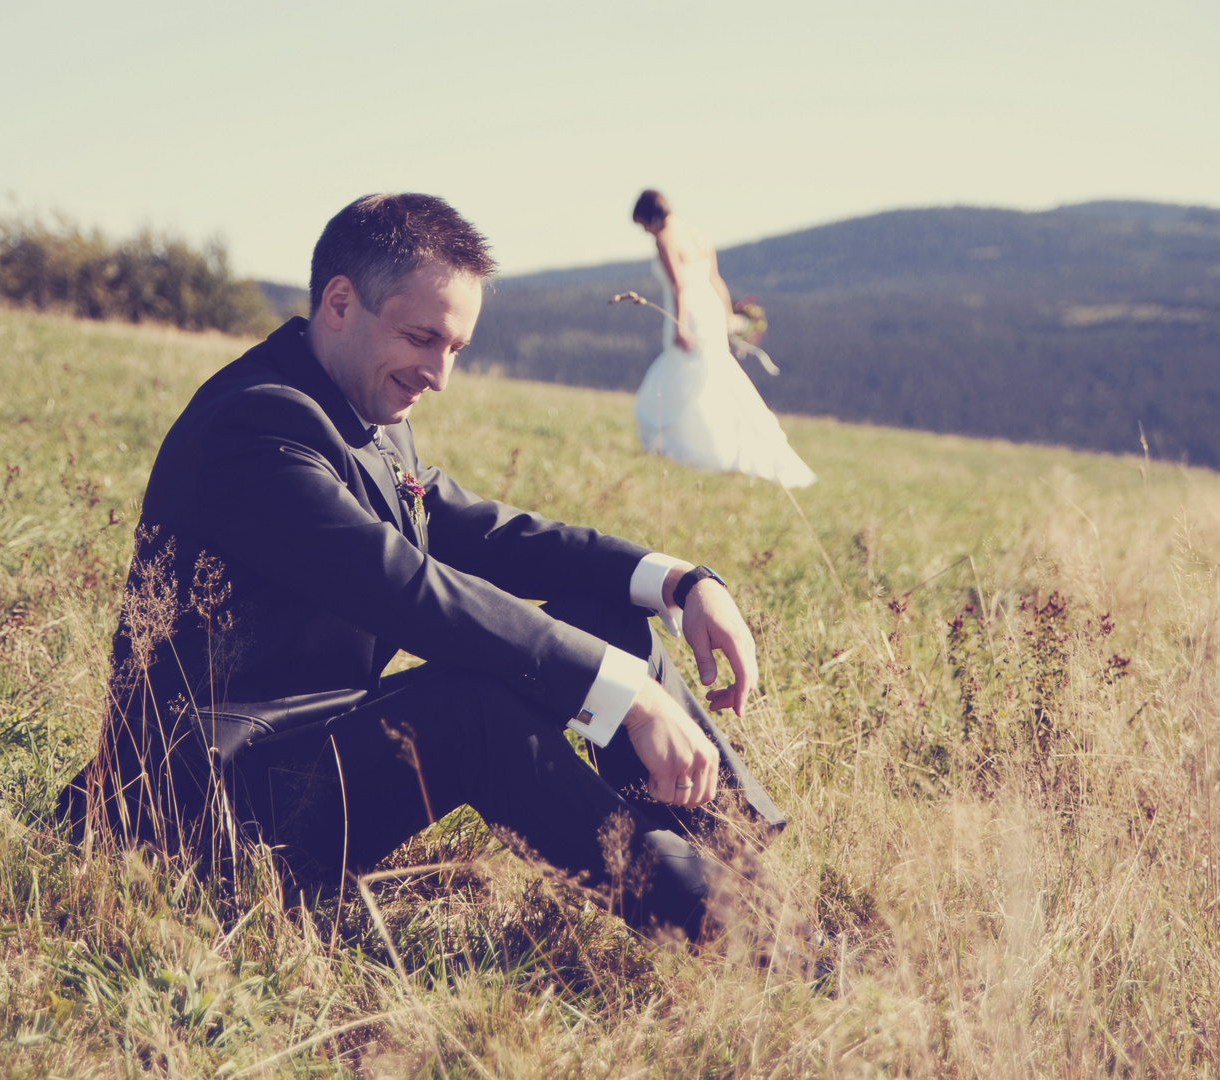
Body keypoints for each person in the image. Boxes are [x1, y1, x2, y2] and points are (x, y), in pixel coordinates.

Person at [60, 193, 785, 943]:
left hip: (307, 746)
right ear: (340, 302)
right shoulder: (257, 427)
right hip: (205, 806)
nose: (439, 375)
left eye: (456, 349)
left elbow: (478, 529)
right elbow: (410, 593)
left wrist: (679, 582)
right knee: (472, 712)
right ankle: (736, 935)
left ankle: (750, 874)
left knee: (600, 614)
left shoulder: (358, 404)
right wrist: (628, 698)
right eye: (421, 338)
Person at [631, 190, 816, 488]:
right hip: (711, 313)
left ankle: (695, 448)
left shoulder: (665, 238)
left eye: (643, 224)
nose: (645, 231)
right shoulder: (699, 235)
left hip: (690, 314)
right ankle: (718, 445)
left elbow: (680, 285)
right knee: (713, 377)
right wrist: (728, 316)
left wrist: (680, 325)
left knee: (677, 379)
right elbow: (715, 280)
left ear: (649, 217)